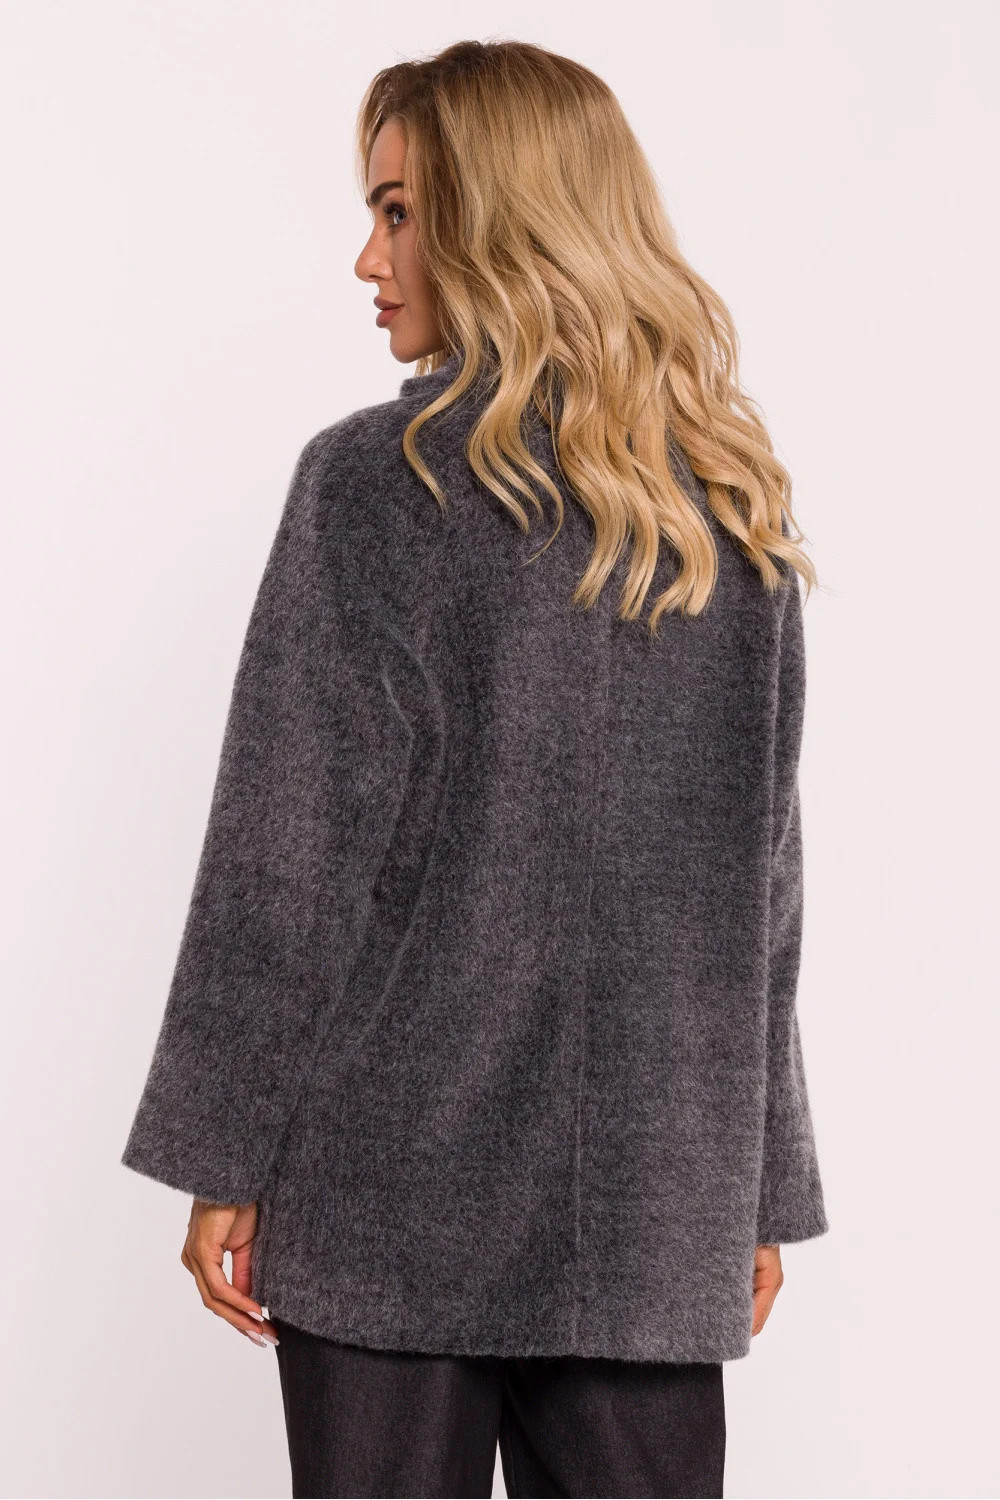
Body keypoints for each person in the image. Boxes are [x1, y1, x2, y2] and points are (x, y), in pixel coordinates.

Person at [120, 38, 828, 1500]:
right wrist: (757, 1178)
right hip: (647, 1209)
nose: (367, 258)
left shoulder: (375, 487)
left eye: (398, 212)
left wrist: (224, 1153)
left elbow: (285, 857)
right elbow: (759, 901)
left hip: (390, 1196)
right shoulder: (726, 518)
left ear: (500, 222)